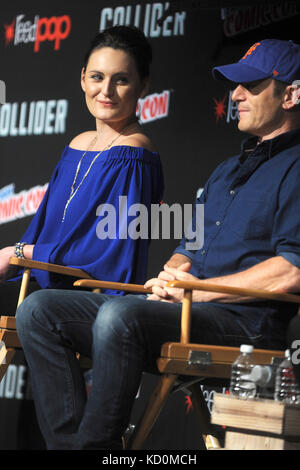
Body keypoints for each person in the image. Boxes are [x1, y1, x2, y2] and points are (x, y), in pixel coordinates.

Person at [16, 39, 300, 450]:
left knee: (118, 315)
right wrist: (173, 274)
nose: (235, 94)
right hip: (187, 310)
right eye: (235, 85)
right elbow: (190, 247)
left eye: (251, 85)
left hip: (245, 326)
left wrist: (197, 292)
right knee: (39, 310)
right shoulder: (226, 171)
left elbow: (292, 269)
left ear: (291, 94)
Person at [0, 26, 164, 294]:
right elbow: (42, 234)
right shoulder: (79, 143)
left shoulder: (134, 154)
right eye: (97, 77)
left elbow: (105, 256)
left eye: (121, 80)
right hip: (45, 287)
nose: (106, 90)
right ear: (83, 79)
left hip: (89, 299)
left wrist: (18, 252)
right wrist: (19, 255)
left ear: (143, 86)